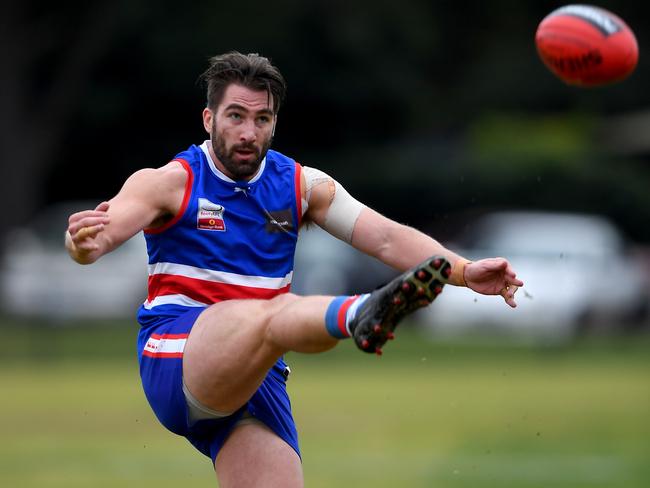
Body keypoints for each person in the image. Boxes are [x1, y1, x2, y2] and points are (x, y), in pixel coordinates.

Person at [65, 51, 523, 487]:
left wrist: (462, 271)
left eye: (261, 119)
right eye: (236, 116)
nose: (249, 132)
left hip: (256, 375)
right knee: (271, 314)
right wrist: (82, 244)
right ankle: (361, 313)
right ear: (209, 119)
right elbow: (101, 235)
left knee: (269, 321)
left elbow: (384, 237)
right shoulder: (170, 183)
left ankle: (360, 313)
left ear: (275, 124)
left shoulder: (301, 186)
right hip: (177, 355)